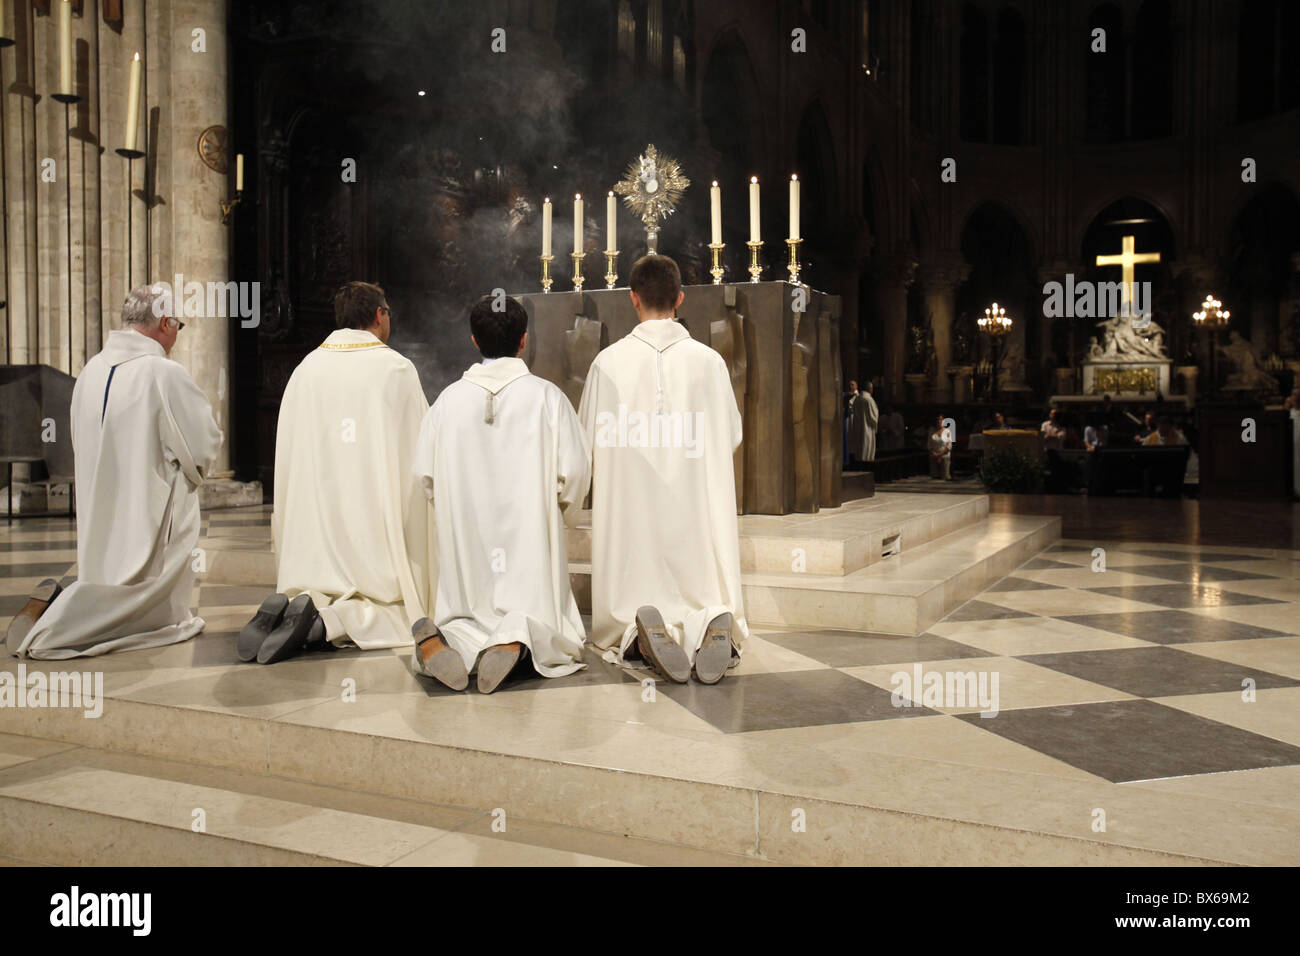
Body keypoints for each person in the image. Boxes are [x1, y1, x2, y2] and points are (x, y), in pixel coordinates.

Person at [7, 286, 222, 659]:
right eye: (178, 325)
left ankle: (67, 604)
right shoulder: (163, 373)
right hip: (151, 508)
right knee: (148, 598)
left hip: (98, 505)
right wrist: (195, 470)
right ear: (167, 323)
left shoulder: (90, 370)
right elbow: (203, 444)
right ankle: (64, 620)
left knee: (105, 571)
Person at [578, 254, 748, 684]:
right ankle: (708, 618)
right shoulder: (709, 362)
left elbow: (586, 442)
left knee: (632, 594)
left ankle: (638, 632)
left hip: (632, 511)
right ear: (680, 299)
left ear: (633, 299)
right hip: (692, 508)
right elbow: (731, 435)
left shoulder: (607, 363)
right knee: (702, 582)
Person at [244, 282, 434, 664]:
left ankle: (305, 602)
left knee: (316, 582)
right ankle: (328, 622)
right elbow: (421, 446)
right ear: (380, 315)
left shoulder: (306, 369)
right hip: (370, 523)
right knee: (390, 609)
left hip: (314, 525)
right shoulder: (394, 369)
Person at [409, 295, 590, 693]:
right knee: (534, 616)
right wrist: (558, 514)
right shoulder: (548, 398)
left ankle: (448, 640)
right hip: (528, 542)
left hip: (467, 541)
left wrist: (453, 508)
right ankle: (515, 637)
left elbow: (424, 476)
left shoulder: (446, 403)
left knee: (464, 616)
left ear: (474, 340)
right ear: (524, 340)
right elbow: (575, 472)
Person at [846, 380, 879, 467]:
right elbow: (873, 417)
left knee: (859, 446)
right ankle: (867, 465)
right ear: (870, 389)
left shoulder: (857, 399)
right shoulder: (869, 400)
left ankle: (859, 464)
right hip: (867, 428)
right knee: (866, 447)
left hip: (858, 427)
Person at [928, 415, 952, 480]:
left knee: (945, 477)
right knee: (934, 477)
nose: (939, 421)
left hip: (944, 456)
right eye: (938, 419)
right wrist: (934, 454)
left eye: (941, 420)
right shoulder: (931, 430)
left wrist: (939, 455)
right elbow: (929, 444)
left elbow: (949, 446)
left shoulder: (947, 431)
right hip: (934, 456)